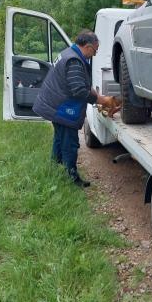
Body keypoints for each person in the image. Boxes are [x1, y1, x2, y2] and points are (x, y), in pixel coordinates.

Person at [33, 29, 111, 187]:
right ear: (88, 46)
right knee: (70, 143)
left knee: (59, 138)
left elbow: (79, 84)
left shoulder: (68, 52)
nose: (94, 54)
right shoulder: (74, 60)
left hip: (53, 105)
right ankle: (71, 178)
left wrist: (93, 92)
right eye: (95, 51)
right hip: (61, 108)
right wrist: (100, 99)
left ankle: (55, 169)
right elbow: (79, 90)